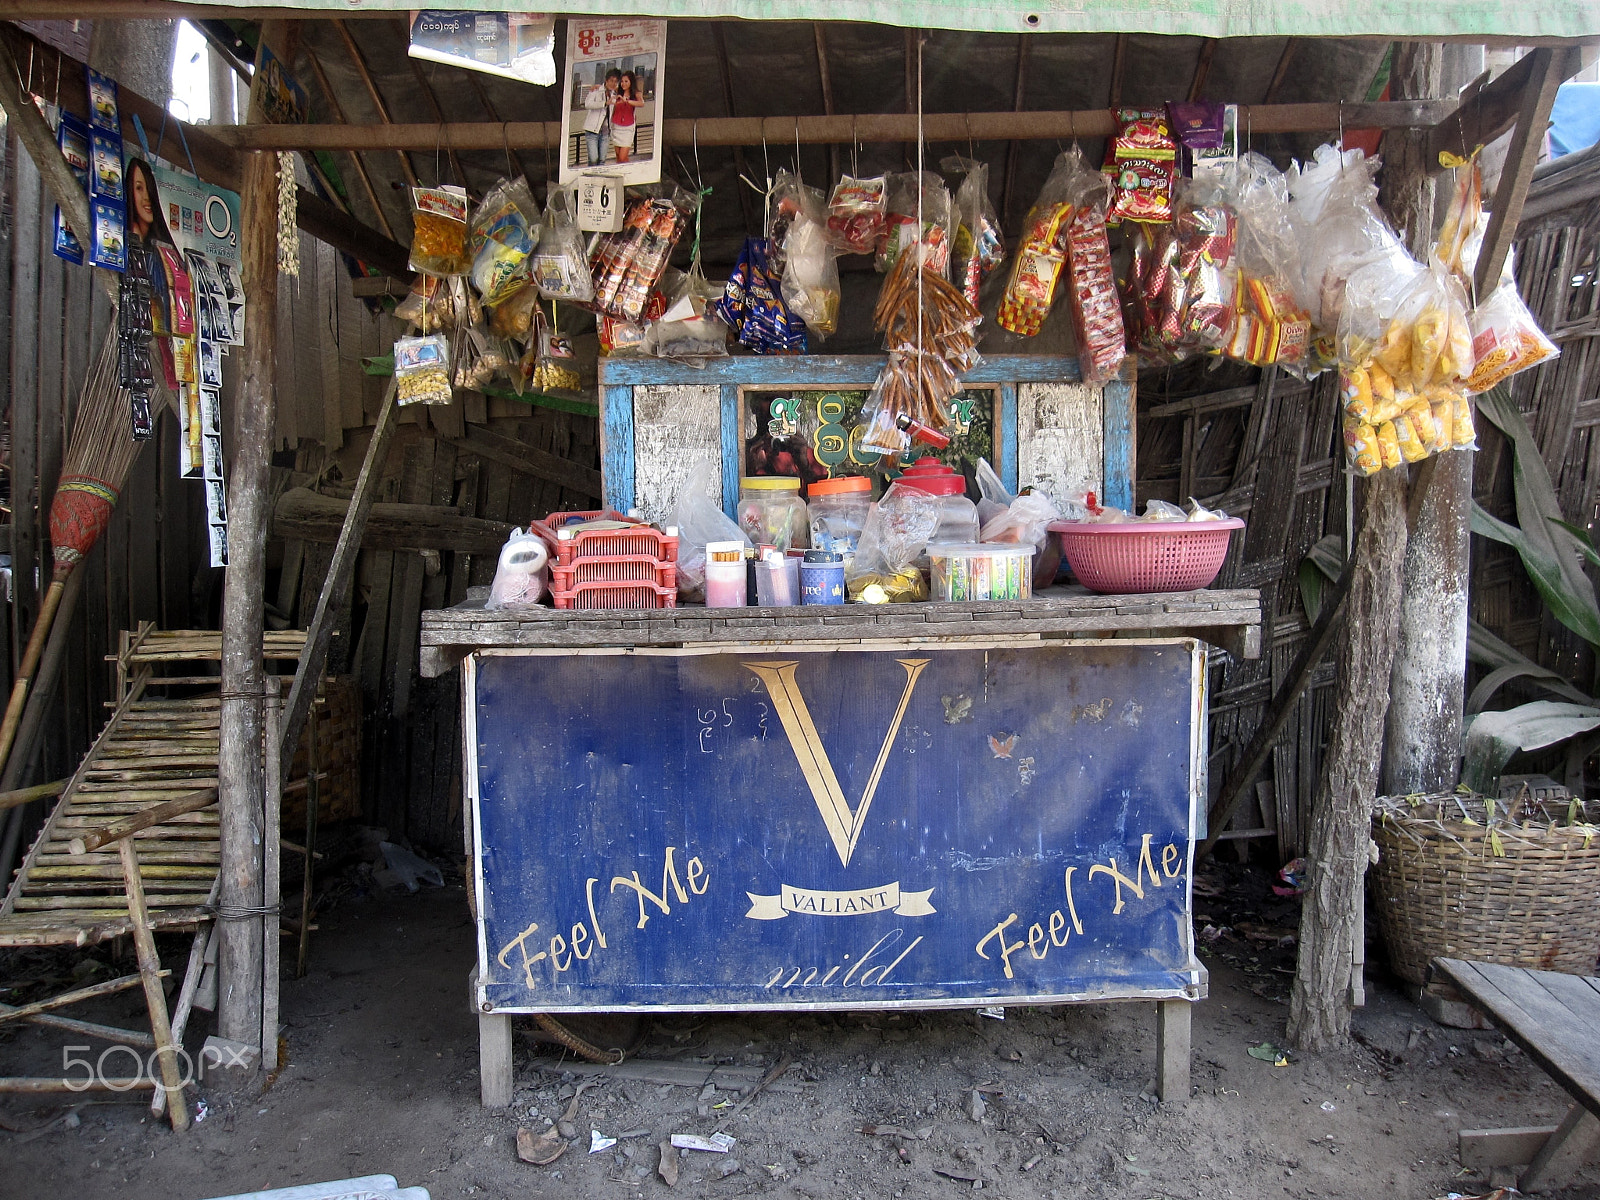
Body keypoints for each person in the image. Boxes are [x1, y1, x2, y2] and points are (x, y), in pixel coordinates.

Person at [581, 68, 619, 167]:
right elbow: (587, 104)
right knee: (593, 159)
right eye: (611, 81)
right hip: (592, 130)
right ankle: (591, 179)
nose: (613, 83)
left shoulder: (615, 94)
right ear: (606, 80)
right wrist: (604, 103)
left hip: (606, 132)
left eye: (615, 81)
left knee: (602, 160)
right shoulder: (596, 90)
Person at [611, 71, 644, 164]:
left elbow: (641, 103)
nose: (623, 84)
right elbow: (607, 86)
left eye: (626, 81)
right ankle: (623, 173)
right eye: (622, 81)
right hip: (616, 126)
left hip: (628, 127)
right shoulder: (618, 91)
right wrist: (595, 87)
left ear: (631, 82)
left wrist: (627, 101)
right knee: (618, 157)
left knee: (623, 156)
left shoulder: (636, 93)